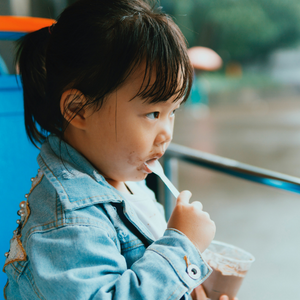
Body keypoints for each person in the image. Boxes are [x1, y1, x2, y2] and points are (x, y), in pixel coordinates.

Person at [3, 1, 235, 299]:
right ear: (79, 110)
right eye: (153, 114)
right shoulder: (68, 220)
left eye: (173, 111)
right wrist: (182, 247)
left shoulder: (126, 175)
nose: (166, 133)